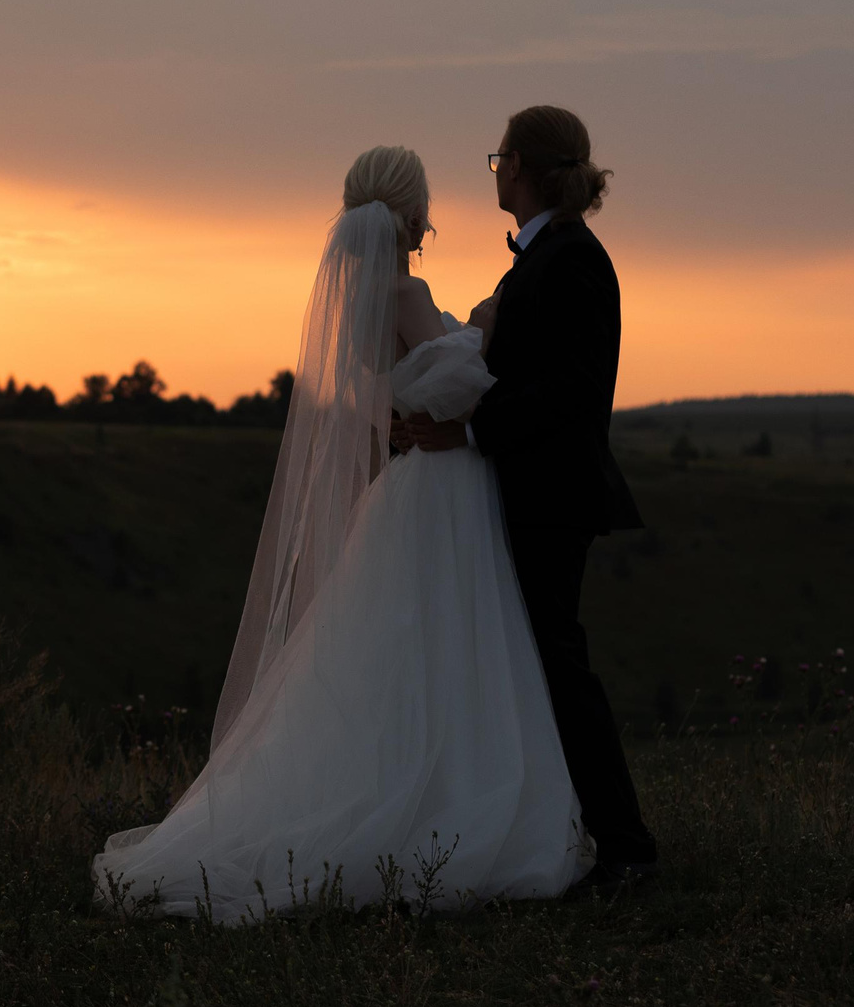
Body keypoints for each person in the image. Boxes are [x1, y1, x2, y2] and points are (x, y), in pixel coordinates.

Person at [92, 144, 591, 919]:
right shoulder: (404, 291)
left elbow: (397, 390)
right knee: (453, 643)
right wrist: (487, 323)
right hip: (444, 491)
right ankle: (441, 804)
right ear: (413, 214)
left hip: (414, 486)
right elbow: (464, 383)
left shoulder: (358, 303)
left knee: (407, 650)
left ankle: (409, 787)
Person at [389, 105, 657, 889]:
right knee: (538, 667)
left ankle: (626, 845)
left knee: (558, 666)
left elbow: (571, 391)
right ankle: (557, 832)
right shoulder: (544, 256)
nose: (495, 169)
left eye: (499, 156)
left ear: (523, 168)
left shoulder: (571, 260)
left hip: (552, 496)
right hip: (531, 489)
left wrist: (470, 429)